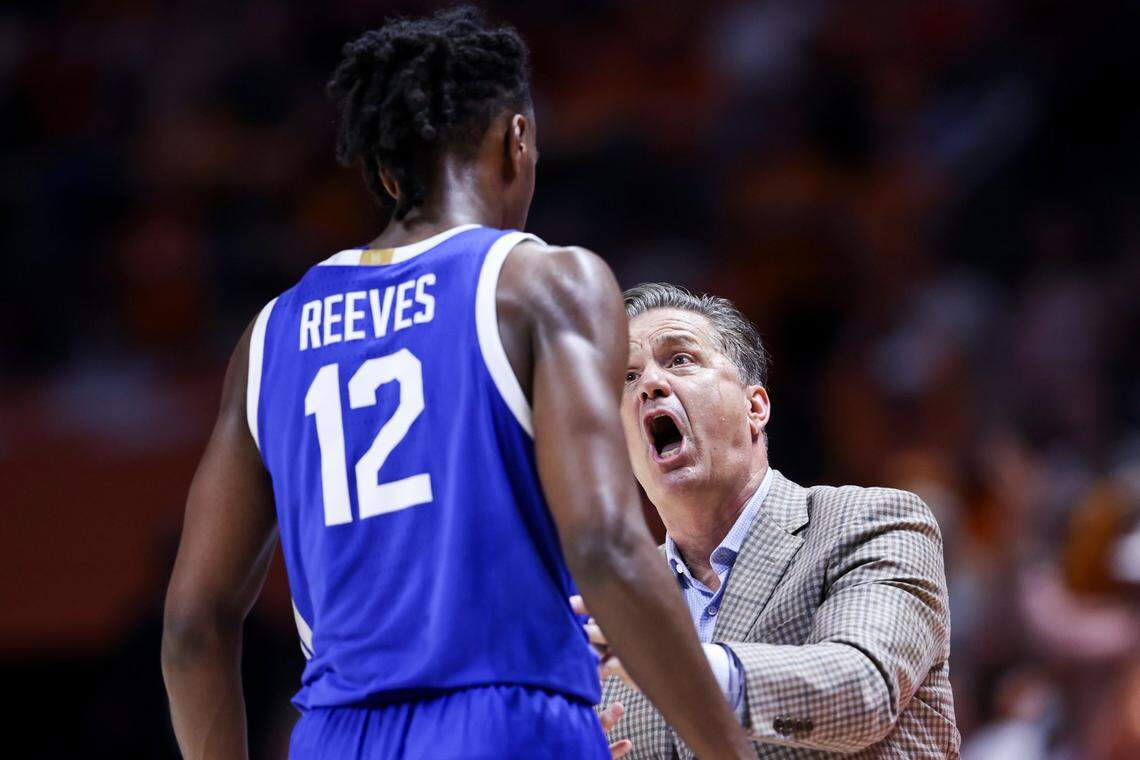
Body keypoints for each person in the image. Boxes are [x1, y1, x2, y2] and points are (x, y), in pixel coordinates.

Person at [160, 9, 753, 760]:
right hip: (508, 719)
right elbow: (604, 545)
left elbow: (191, 628)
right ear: (518, 139)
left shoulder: (270, 335)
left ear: (383, 170)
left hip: (334, 734)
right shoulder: (542, 282)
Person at [580, 283, 960, 758]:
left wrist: (676, 665)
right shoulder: (614, 608)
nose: (650, 385)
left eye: (680, 359)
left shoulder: (871, 521)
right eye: (628, 377)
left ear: (754, 406)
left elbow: (863, 690)